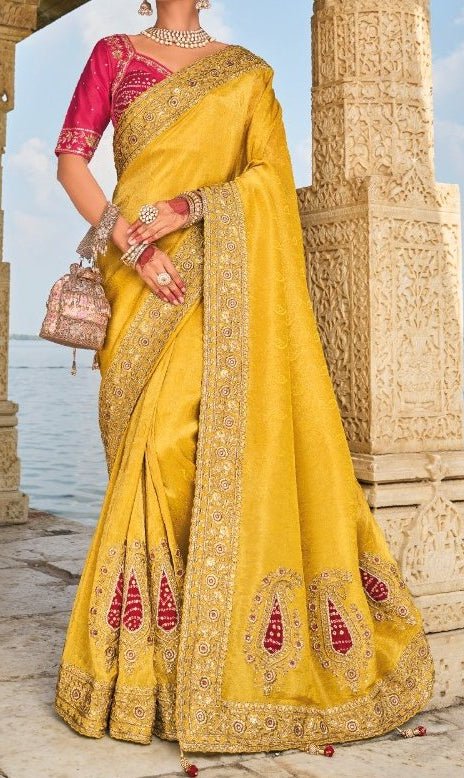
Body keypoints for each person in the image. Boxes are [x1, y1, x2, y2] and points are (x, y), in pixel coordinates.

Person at [52, 0, 435, 775]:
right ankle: (147, 674)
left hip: (219, 283)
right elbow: (71, 162)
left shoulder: (247, 75)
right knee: (152, 453)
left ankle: (209, 662)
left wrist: (191, 207)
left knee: (200, 453)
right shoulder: (114, 55)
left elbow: (266, 181)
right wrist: (132, 244)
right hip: (138, 280)